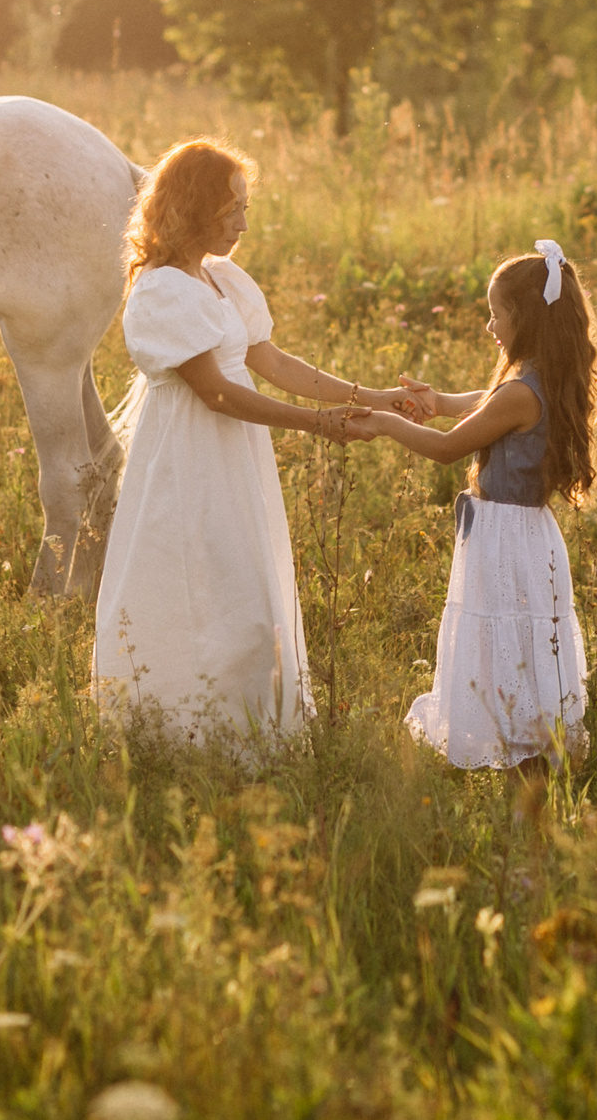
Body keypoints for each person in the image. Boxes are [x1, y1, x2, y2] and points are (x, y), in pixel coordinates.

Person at [93, 139, 396, 736]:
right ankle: (181, 731)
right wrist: (318, 425)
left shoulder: (223, 279)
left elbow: (274, 364)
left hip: (237, 453)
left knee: (249, 585)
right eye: (230, 209)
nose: (242, 223)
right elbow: (218, 393)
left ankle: (253, 728)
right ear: (191, 207)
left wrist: (369, 396)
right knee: (197, 582)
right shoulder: (160, 290)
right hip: (190, 455)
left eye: (245, 208)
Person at [346, 240, 597, 771]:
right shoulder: (540, 379)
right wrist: (436, 402)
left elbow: (446, 449)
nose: (490, 328)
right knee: (518, 640)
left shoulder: (520, 393)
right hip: (525, 534)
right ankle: (525, 745)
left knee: (505, 636)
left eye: (496, 316)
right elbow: (480, 405)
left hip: (505, 538)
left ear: (525, 320)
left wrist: (387, 423)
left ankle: (522, 755)